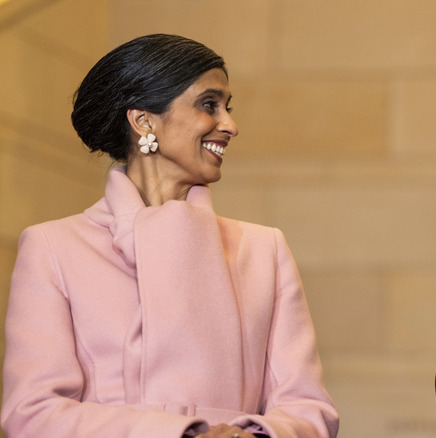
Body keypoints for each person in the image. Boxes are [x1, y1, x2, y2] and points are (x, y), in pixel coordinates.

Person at [1, 34, 339, 438]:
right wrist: (179, 433)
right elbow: (32, 414)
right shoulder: (53, 247)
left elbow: (307, 407)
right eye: (208, 104)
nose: (230, 125)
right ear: (144, 120)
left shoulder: (264, 249)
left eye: (227, 108)